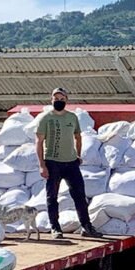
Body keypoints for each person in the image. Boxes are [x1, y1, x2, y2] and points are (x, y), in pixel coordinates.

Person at [35, 88, 102, 239]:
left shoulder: (72, 117)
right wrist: (42, 165)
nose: (58, 100)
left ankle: (86, 226)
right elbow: (39, 142)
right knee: (52, 196)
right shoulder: (45, 118)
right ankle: (55, 227)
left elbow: (78, 136)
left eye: (61, 98)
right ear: (51, 100)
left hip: (71, 162)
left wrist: (78, 155)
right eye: (56, 98)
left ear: (66, 100)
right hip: (52, 162)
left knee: (79, 195)